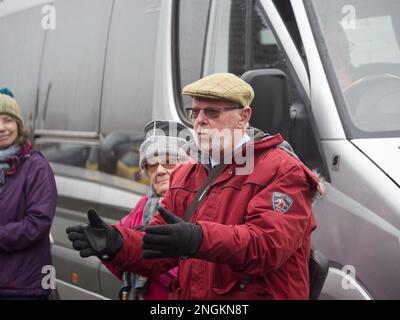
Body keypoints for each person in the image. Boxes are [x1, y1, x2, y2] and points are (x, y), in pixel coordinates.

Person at [66, 73, 322, 300]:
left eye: (212, 112)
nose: (199, 120)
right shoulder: (186, 174)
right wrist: (116, 243)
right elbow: (157, 244)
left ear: (244, 117)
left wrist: (196, 238)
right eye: (195, 111)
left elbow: (265, 247)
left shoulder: (284, 170)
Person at [104, 120, 193, 300]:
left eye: (168, 162)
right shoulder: (144, 205)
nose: (159, 170)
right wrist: (107, 247)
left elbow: (197, 276)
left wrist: (145, 261)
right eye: (151, 164)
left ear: (188, 165)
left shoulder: (198, 207)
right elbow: (121, 267)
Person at [0, 88, 57, 300]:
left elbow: (38, 223)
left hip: (23, 286)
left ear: (18, 126)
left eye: (7, 120)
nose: (1, 128)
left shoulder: (36, 165)